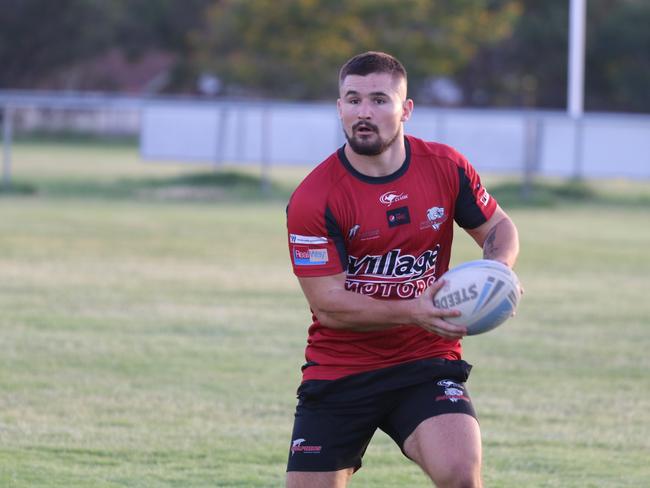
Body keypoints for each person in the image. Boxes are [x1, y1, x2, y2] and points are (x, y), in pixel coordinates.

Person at [285, 51, 520, 488]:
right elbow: (329, 305)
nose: (364, 112)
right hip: (340, 369)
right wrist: (416, 309)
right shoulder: (314, 198)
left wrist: (498, 273)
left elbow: (499, 227)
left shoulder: (445, 167)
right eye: (352, 100)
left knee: (460, 474)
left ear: (405, 109)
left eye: (379, 100)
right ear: (339, 107)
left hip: (424, 361)